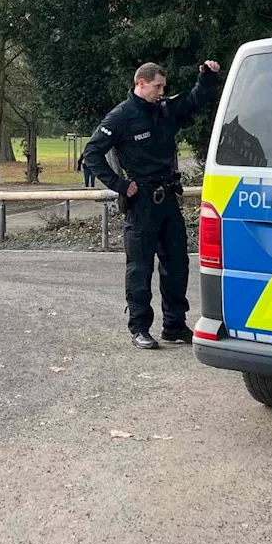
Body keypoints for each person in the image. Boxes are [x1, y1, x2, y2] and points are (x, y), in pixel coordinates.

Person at [82, 60, 221, 349]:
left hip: (168, 198)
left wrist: (206, 78)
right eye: (157, 86)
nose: (161, 91)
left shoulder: (164, 110)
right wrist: (120, 184)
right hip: (141, 201)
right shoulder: (121, 116)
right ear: (141, 83)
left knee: (177, 264)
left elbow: (193, 102)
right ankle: (140, 327)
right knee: (140, 268)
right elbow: (92, 154)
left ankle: (174, 325)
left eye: (163, 87)